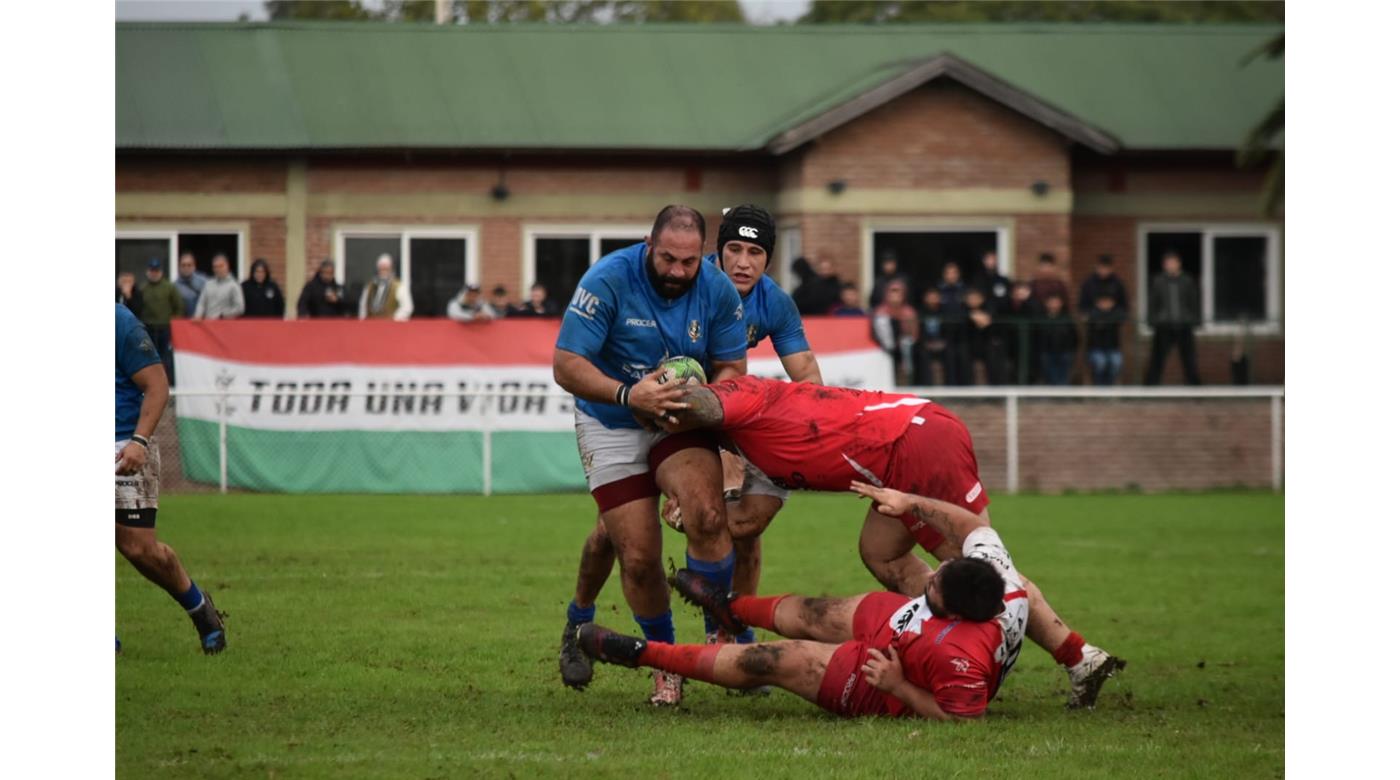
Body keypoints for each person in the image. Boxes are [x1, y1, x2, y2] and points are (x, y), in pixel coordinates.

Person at [651, 375, 1124, 708]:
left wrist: (652, 399)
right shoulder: (751, 446)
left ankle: (1077, 655)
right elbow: (751, 519)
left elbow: (709, 405)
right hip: (907, 446)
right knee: (881, 552)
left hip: (915, 443)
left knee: (984, 571)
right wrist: (693, 515)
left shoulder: (740, 394)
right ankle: (947, 631)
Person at [570, 205, 822, 668]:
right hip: (631, 413)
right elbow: (569, 362)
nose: (743, 262)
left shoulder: (771, 302)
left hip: (703, 412)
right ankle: (578, 618)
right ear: (716, 252)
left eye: (756, 252)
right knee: (617, 536)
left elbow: (804, 377)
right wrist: (640, 394)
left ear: (769, 259)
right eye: (734, 249)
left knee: (730, 525)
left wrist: (822, 432)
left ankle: (728, 637)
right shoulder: (686, 277)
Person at [581, 491, 1029, 719]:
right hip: (903, 629)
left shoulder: (961, 660)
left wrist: (898, 686)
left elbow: (964, 720)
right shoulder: (996, 574)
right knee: (815, 610)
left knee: (772, 659)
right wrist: (910, 503)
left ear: (953, 617)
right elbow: (972, 524)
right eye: (938, 572)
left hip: (890, 671)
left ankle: (643, 654)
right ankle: (731, 607)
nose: (927, 579)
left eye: (932, 591)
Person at [553, 205, 749, 706]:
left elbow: (731, 366)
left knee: (707, 514)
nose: (677, 271)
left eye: (688, 262)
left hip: (678, 420)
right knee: (637, 557)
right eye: (667, 259)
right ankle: (664, 659)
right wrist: (628, 395)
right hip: (611, 419)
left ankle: (717, 637)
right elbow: (566, 363)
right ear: (648, 244)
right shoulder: (607, 280)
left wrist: (700, 398)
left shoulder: (717, 289)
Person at [115, 304, 226, 654]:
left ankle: (199, 608)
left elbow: (158, 384)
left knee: (140, 549)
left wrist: (139, 441)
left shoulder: (119, 323)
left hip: (123, 442)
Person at [1145, 251, 1202, 385]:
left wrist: (1194, 319)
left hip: (1184, 325)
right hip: (1164, 326)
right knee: (1157, 359)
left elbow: (1194, 301)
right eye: (1167, 263)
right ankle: (1149, 390)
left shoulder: (1187, 281)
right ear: (1164, 265)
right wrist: (1153, 320)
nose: (1170, 265)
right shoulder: (1158, 281)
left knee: (1189, 360)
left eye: (1173, 262)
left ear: (1178, 264)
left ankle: (1196, 390)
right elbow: (1153, 303)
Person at [138, 258, 183, 381]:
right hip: (147, 330)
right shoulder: (143, 288)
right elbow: (137, 307)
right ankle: (149, 382)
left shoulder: (169, 287)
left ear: (161, 272)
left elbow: (178, 306)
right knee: (147, 356)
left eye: (156, 270)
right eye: (152, 270)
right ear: (148, 272)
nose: (154, 273)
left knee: (165, 358)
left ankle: (167, 384)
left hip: (165, 328)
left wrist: (174, 323)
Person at [871, 280, 917, 385]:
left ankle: (907, 382)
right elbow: (875, 333)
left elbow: (914, 334)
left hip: (904, 346)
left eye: (898, 292)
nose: (895, 296)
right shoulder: (880, 311)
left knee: (906, 350)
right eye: (892, 292)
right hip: (884, 347)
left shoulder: (909, 312)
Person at [962, 288, 1008, 385]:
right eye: (970, 299)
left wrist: (977, 318)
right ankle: (966, 387)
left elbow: (985, 322)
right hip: (968, 343)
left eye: (975, 298)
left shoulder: (990, 308)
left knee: (994, 356)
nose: (973, 301)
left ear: (982, 299)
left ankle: (996, 388)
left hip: (987, 342)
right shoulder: (962, 309)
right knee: (962, 354)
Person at [1036, 294, 1078, 386]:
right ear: (1046, 304)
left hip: (1065, 351)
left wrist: (1070, 348)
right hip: (1047, 351)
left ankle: (1063, 395)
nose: (1054, 305)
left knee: (1063, 374)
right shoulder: (1041, 318)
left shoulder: (1067, 318)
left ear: (1061, 304)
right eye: (1051, 302)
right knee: (1050, 374)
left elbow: (1075, 336)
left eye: (1056, 302)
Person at [1085, 293, 1126, 386]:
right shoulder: (1093, 314)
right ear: (1097, 303)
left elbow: (1122, 317)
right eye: (1103, 302)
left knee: (1116, 362)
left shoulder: (1116, 314)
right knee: (1100, 362)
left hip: (1113, 349)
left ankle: (1109, 385)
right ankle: (1099, 386)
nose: (1105, 304)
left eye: (1108, 302)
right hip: (1096, 349)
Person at [359, 254, 413, 321]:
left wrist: (394, 319)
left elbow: (407, 307)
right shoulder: (369, 286)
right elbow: (363, 307)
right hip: (371, 326)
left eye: (386, 268)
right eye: (381, 267)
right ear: (377, 268)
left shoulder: (399, 286)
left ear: (391, 268)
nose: (384, 270)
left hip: (391, 326)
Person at [193, 254, 245, 320]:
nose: (218, 269)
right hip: (208, 325)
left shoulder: (234, 285)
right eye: (215, 267)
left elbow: (240, 308)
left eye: (221, 266)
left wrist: (223, 315)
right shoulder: (208, 284)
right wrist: (197, 316)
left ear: (227, 266)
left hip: (226, 326)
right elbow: (201, 303)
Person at [912, 288, 946, 386]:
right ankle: (926, 385)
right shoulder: (920, 312)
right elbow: (918, 332)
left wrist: (942, 342)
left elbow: (949, 331)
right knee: (921, 353)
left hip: (942, 343)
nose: (933, 300)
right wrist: (926, 343)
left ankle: (952, 386)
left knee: (952, 352)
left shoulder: (944, 311)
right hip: (925, 343)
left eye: (935, 297)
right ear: (925, 299)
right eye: (930, 297)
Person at [973, 250, 1011, 314]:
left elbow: (1005, 299)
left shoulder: (1003, 280)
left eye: (993, 259)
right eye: (988, 259)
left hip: (1000, 316)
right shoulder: (977, 280)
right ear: (984, 261)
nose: (991, 262)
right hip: (981, 316)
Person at [174, 252, 208, 318]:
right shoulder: (175, 286)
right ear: (179, 267)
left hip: (202, 322)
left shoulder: (204, 281)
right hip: (184, 323)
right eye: (183, 265)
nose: (186, 268)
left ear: (194, 266)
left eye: (189, 265)